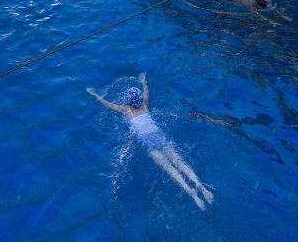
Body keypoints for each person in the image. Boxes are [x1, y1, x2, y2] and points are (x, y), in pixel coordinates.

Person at [86, 73, 214, 210]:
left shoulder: (125, 110)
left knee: (169, 168)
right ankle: (199, 184)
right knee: (179, 160)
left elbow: (107, 104)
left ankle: (191, 193)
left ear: (128, 101)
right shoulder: (145, 105)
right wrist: (143, 80)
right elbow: (146, 91)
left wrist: (94, 94)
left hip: (148, 141)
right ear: (140, 100)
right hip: (159, 135)